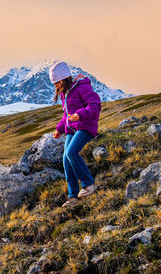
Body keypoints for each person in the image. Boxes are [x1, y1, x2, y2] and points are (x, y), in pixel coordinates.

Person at [50, 61, 101, 208]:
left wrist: (80, 115)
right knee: (66, 159)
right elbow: (66, 115)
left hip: (86, 126)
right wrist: (59, 129)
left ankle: (89, 184)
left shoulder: (81, 87)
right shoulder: (64, 94)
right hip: (73, 129)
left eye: (57, 83)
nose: (56, 86)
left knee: (71, 153)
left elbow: (95, 105)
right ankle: (73, 197)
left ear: (64, 79)